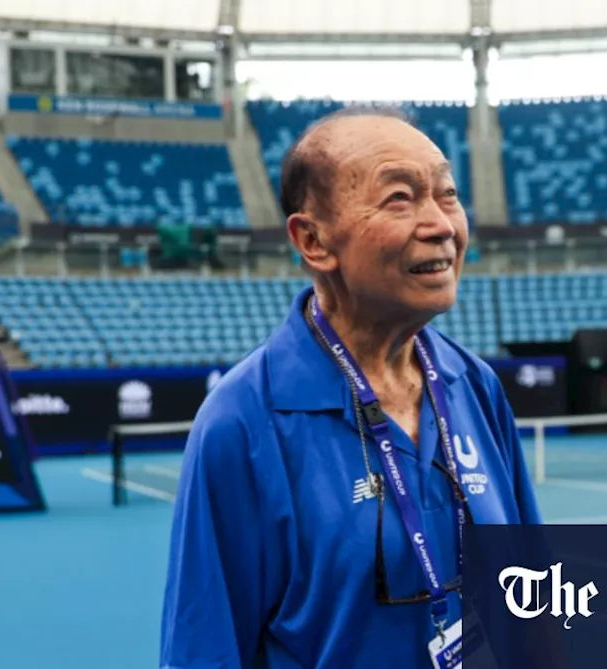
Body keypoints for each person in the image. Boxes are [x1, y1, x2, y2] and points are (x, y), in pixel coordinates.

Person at [159, 107, 542, 668]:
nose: (440, 224)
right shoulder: (244, 422)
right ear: (313, 241)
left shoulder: (474, 385)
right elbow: (204, 651)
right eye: (399, 199)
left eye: (448, 194)